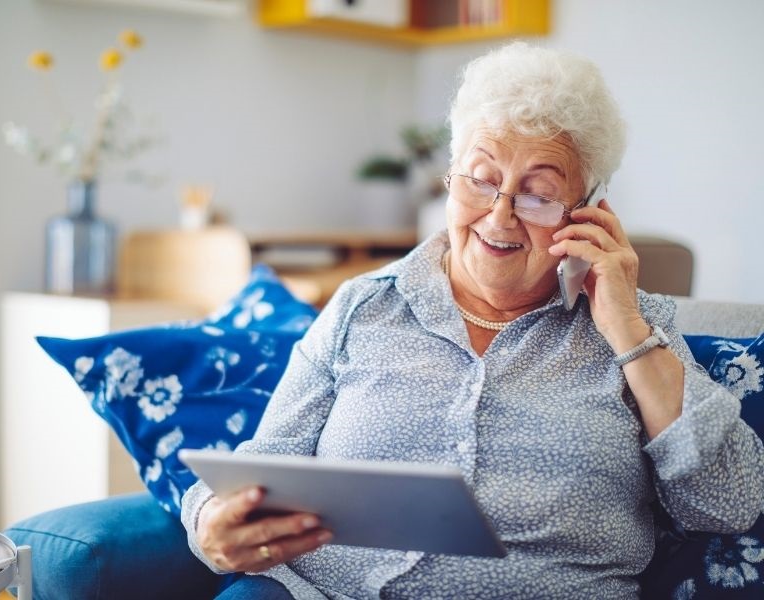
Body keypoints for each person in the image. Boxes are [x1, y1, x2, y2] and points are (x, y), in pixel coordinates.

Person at [181, 42, 764, 599]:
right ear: (451, 177)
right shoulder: (364, 306)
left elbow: (725, 502)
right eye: (482, 179)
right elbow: (264, 463)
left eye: (538, 193)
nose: (501, 215)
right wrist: (212, 518)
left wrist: (627, 331)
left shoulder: (636, 329)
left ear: (586, 212)